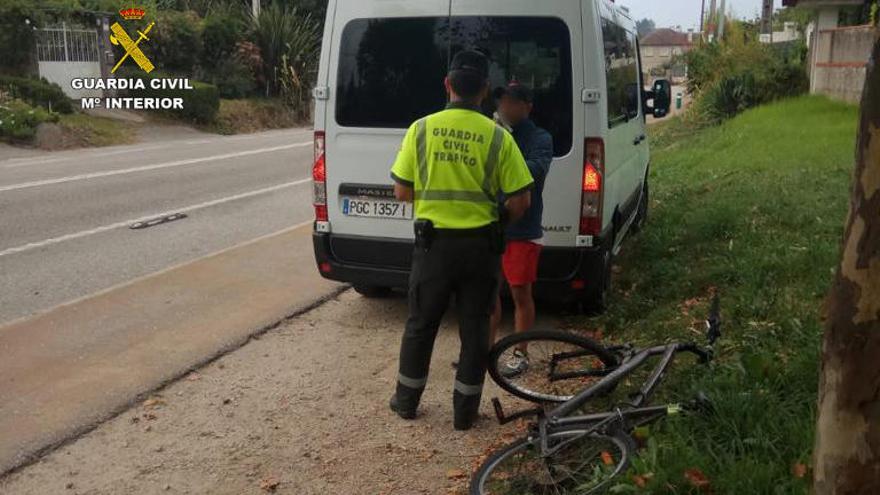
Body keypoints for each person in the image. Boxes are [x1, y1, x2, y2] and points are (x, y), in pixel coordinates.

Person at [388, 51, 535, 431]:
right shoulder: (498, 138)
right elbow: (521, 200)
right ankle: (464, 415)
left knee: (421, 325)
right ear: (485, 90)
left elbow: (402, 192)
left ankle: (406, 402)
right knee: (475, 330)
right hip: (480, 250)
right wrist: (495, 220)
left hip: (432, 248)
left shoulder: (420, 129)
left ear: (447, 85)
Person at [489, 83, 554, 378]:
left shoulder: (540, 138)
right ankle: (484, 349)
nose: (505, 107)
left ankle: (519, 353)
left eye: (511, 102)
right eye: (502, 101)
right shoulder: (494, 133)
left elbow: (532, 172)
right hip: (490, 227)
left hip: (523, 230)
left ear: (527, 106)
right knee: (488, 293)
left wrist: (504, 144)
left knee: (520, 294)